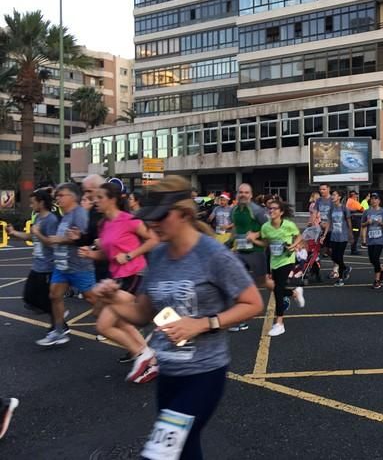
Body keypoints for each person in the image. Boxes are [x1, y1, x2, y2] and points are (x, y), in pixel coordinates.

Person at [93, 175, 263, 459]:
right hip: (168, 372)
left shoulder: (213, 255)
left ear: (183, 214)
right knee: (186, 449)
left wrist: (203, 323)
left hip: (204, 374)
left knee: (161, 452)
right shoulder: (158, 255)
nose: (152, 223)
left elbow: (253, 302)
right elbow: (142, 313)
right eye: (150, 217)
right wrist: (110, 300)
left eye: (160, 216)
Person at [78, 183, 160, 378]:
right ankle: (147, 356)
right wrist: (91, 254)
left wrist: (130, 255)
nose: (94, 201)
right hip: (117, 277)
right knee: (116, 321)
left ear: (112, 199)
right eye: (93, 198)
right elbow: (107, 254)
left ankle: (144, 355)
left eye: (99, 197)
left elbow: (153, 239)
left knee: (104, 324)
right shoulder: (103, 224)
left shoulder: (129, 219)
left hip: (135, 275)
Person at [31, 183, 96, 346]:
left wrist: (61, 239)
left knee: (93, 299)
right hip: (62, 266)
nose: (57, 198)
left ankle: (120, 321)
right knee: (54, 295)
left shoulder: (79, 214)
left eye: (61, 195)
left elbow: (83, 238)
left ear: (73, 197)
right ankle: (59, 331)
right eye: (57, 195)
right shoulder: (65, 215)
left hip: (79, 266)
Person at [7, 190, 59, 329]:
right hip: (37, 265)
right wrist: (13, 233)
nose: (31, 206)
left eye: (32, 203)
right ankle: (58, 319)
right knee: (29, 297)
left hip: (48, 266)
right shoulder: (38, 218)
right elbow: (31, 237)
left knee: (45, 298)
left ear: (41, 203)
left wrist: (38, 233)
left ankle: (58, 323)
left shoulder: (51, 220)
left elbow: (51, 242)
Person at [255, 198, 305, 336]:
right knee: (276, 288)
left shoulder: (288, 225)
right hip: (274, 261)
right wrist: (253, 240)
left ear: (281, 212)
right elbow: (266, 245)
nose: (271, 211)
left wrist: (294, 245)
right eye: (269, 208)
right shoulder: (266, 227)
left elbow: (299, 236)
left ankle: (279, 324)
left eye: (274, 208)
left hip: (287, 260)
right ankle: (295, 293)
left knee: (277, 290)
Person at [228, 183, 271, 332]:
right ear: (237, 194)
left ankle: (286, 294)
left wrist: (255, 235)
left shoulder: (257, 211)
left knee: (263, 282)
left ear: (251, 195)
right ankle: (240, 320)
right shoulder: (233, 210)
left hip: (256, 252)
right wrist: (228, 243)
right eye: (241, 192)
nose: (243, 195)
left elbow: (269, 227)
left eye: (246, 193)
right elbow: (235, 228)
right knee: (237, 283)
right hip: (240, 252)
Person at [321, 190, 353, 286]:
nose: (332, 196)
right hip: (334, 236)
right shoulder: (331, 209)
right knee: (334, 256)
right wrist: (324, 235)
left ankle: (340, 278)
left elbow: (349, 222)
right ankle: (345, 268)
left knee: (339, 256)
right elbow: (328, 223)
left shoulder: (344, 209)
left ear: (339, 197)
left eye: (334, 195)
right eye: (332, 195)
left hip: (343, 237)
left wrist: (351, 235)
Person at [361, 193, 383, 290]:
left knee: (376, 257)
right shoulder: (366, 212)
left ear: (379, 201)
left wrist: (382, 224)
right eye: (372, 199)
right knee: (372, 259)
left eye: (375, 199)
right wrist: (367, 223)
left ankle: (377, 280)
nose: (373, 201)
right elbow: (362, 225)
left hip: (380, 239)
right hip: (370, 238)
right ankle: (382, 269)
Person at [346, 190, 364, 255]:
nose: (357, 196)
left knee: (354, 235)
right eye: (356, 194)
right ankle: (354, 250)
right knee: (356, 235)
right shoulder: (353, 202)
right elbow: (362, 209)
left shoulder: (349, 200)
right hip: (355, 221)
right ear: (353, 195)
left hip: (353, 220)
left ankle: (353, 249)